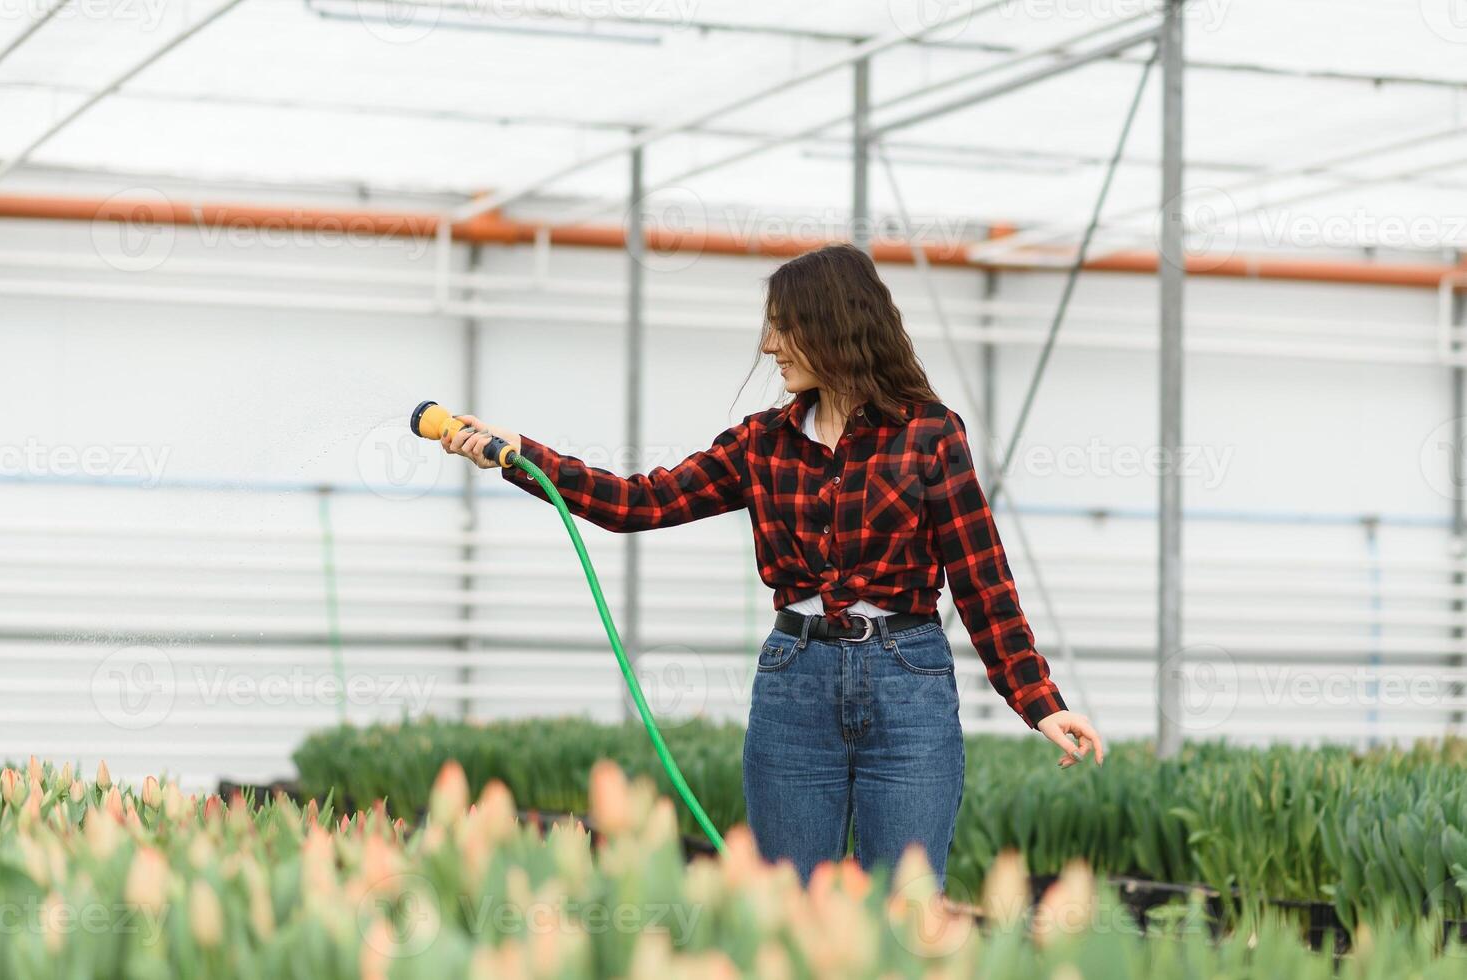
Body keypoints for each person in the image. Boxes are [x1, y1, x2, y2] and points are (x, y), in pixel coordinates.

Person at [439, 242, 1103, 891]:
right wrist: (524, 455)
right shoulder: (762, 443)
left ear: (833, 326)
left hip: (909, 684)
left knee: (903, 909)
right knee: (787, 906)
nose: (769, 346)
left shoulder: (929, 434)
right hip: (796, 683)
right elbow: (639, 502)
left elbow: (983, 578)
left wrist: (1039, 702)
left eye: (783, 327)